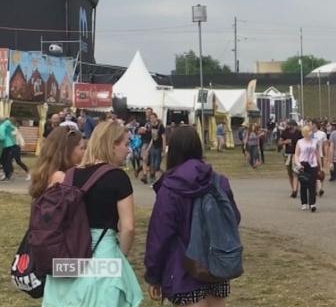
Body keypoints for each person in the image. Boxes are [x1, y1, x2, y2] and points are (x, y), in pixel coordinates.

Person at [40, 122, 143, 306]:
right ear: (112, 145)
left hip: (68, 252)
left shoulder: (69, 174)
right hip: (103, 252)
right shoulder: (118, 178)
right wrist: (122, 257)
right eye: (126, 144)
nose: (128, 151)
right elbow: (128, 228)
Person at [145, 126, 239, 306]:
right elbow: (233, 218)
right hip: (216, 265)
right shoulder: (218, 181)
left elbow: (160, 235)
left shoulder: (170, 188)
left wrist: (153, 275)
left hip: (182, 269)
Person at [294, 125, 322, 212]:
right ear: (305, 133)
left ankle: (312, 203)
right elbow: (296, 154)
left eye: (311, 131)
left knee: (312, 184)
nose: (311, 133)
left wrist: (320, 165)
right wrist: (298, 164)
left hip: (313, 164)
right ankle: (304, 203)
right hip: (303, 164)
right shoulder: (300, 142)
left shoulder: (315, 141)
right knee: (304, 184)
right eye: (309, 131)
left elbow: (317, 153)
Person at [279, 120, 303, 198]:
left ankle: (295, 190)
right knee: (289, 172)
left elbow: (302, 142)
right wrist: (284, 142)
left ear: (294, 125)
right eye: (288, 125)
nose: (288, 126)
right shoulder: (285, 132)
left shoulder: (299, 133)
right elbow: (279, 142)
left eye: (290, 125)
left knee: (295, 172)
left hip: (296, 154)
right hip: (288, 154)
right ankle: (293, 189)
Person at [147, 113, 166, 184]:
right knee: (152, 163)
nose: (151, 119)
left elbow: (163, 138)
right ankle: (153, 178)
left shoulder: (160, 126)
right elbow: (152, 138)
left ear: (156, 118)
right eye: (150, 118)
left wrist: (163, 150)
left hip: (159, 147)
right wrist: (148, 148)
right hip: (153, 146)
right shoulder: (151, 126)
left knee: (157, 164)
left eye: (153, 118)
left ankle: (159, 178)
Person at [312, 120, 328, 197]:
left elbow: (325, 145)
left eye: (313, 124)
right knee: (313, 173)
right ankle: (315, 189)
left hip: (320, 155)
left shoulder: (322, 134)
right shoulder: (309, 134)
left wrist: (326, 155)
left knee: (320, 172)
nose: (312, 126)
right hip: (311, 157)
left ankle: (320, 188)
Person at [0, 117, 16, 181]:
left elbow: (2, 137)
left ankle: (7, 175)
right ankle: (8, 174)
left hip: (6, 145)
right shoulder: (8, 125)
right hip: (10, 144)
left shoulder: (2, 127)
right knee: (6, 160)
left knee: (4, 161)